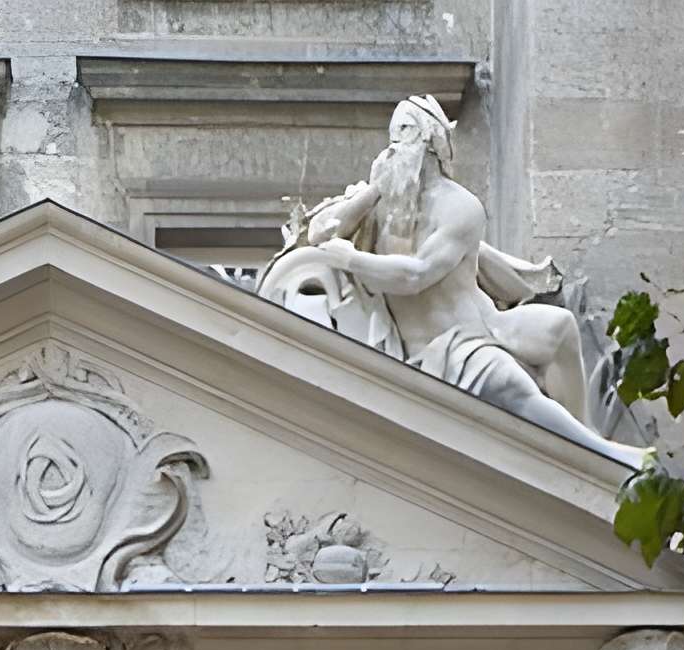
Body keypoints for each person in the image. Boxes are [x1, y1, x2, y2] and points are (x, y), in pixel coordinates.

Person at [258, 96, 645, 466]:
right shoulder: (383, 204)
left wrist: (355, 259)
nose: (394, 146)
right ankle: (597, 454)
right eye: (392, 135)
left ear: (432, 142)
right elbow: (320, 234)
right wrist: (372, 192)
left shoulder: (459, 206)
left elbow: (417, 274)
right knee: (508, 383)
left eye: (405, 132)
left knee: (559, 327)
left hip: (478, 329)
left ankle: (588, 445)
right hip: (434, 350)